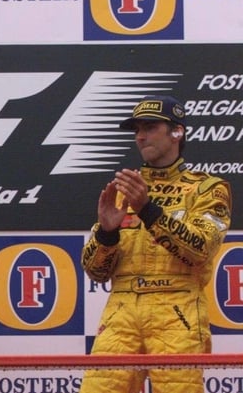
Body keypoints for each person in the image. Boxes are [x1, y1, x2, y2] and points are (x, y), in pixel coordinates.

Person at [80, 95, 232, 393]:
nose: (140, 136)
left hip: (178, 310)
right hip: (121, 310)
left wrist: (149, 211)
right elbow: (96, 273)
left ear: (177, 132)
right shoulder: (125, 188)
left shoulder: (208, 188)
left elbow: (200, 248)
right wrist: (107, 233)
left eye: (150, 127)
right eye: (136, 129)